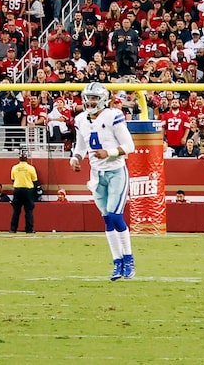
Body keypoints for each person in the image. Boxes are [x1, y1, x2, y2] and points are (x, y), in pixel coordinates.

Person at [73, 82, 139, 282]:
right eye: (88, 97)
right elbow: (81, 145)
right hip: (96, 174)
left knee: (115, 215)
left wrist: (108, 153)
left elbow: (129, 146)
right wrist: (75, 158)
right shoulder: (80, 119)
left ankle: (128, 259)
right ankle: (117, 261)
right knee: (107, 219)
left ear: (102, 99)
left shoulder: (113, 116)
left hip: (116, 171)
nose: (90, 101)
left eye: (94, 97)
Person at [7, 153, 41, 233]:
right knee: (29, 211)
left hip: (17, 189)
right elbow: (35, 181)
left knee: (16, 210)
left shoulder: (14, 168)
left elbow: (13, 179)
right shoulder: (31, 168)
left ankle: (13, 229)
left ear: (19, 159)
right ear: (27, 159)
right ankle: (29, 229)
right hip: (28, 190)